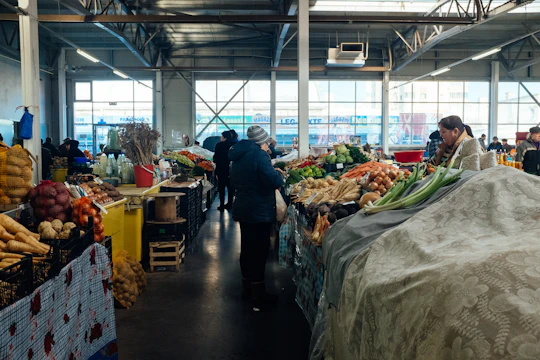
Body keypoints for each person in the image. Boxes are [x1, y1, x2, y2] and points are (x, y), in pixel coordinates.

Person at [229, 125, 285, 307]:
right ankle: (258, 293)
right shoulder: (259, 155)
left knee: (247, 248)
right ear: (262, 140)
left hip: (243, 206)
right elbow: (271, 180)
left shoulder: (238, 154)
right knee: (260, 250)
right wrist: (278, 175)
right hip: (258, 209)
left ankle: (247, 288)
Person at [213, 131, 235, 211]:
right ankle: (230, 203)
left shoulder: (219, 145)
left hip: (221, 169)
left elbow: (215, 158)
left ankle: (221, 204)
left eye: (222, 136)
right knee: (230, 187)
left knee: (221, 187)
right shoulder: (233, 145)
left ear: (224, 137)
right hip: (230, 169)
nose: (220, 138)